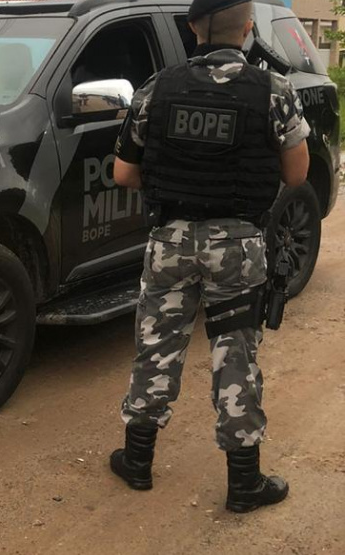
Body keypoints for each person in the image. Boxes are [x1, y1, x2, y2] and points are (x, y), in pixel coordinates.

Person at [108, 0, 310, 513]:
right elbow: (296, 174)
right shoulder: (274, 91)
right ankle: (244, 483)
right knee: (235, 354)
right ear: (248, 29)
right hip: (236, 247)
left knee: (156, 347)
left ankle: (137, 460)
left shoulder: (157, 88)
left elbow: (124, 173)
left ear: (193, 27)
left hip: (170, 242)